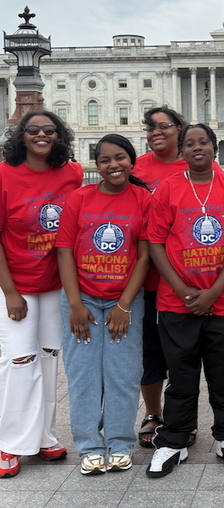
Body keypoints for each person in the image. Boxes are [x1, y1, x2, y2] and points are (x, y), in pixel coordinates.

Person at [146, 123, 224, 476]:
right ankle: (174, 440)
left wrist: (213, 292)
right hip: (176, 302)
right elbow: (155, 244)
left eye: (204, 142)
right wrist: (183, 290)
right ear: (181, 151)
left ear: (214, 148)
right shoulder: (167, 189)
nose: (198, 148)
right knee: (181, 377)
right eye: (190, 143)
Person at [56, 135, 150, 475]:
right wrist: (74, 303)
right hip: (81, 299)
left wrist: (124, 305)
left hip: (124, 299)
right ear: (96, 165)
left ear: (132, 161)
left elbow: (144, 256)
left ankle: (120, 443)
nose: (114, 165)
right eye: (105, 160)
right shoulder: (80, 198)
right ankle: (89, 446)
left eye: (120, 157)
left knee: (123, 374)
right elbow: (64, 251)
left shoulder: (143, 200)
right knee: (83, 375)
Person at [0, 110, 83, 478]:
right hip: (17, 284)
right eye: (33, 130)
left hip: (55, 285)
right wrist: (9, 292)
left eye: (49, 130)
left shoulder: (72, 173)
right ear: (21, 136)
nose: (42, 135)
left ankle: (44, 436)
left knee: (49, 360)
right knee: (19, 361)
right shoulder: (4, 175)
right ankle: (10, 442)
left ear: (58, 135)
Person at [132, 106, 187, 448]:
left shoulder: (197, 165)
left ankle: (181, 416)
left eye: (163, 126)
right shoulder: (136, 167)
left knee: (181, 354)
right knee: (148, 351)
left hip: (182, 279)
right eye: (150, 127)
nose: (155, 132)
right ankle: (153, 412)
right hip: (143, 278)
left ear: (179, 128)